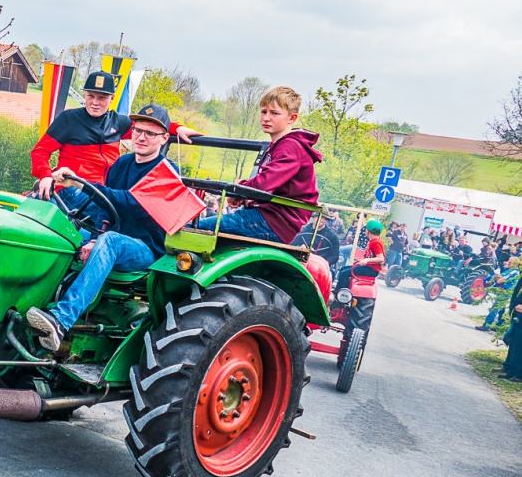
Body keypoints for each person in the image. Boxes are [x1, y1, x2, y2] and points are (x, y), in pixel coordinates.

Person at [25, 104, 178, 350]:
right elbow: (106, 209)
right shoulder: (122, 164)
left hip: (145, 248)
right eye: (138, 130)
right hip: (113, 238)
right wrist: (96, 237)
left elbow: (129, 203)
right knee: (65, 236)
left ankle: (61, 321)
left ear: (164, 139)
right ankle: (28, 304)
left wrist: (81, 184)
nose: (141, 137)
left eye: (150, 133)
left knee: (111, 241)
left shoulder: (166, 171)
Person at [30, 70, 196, 208]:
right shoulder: (68, 119)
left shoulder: (118, 122)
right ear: (85, 95)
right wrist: (45, 175)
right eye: (90, 96)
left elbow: (150, 127)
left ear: (112, 98)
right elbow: (40, 151)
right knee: (120, 210)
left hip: (103, 191)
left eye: (101, 98)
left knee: (119, 206)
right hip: (74, 188)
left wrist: (177, 128)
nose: (95, 102)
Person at [195, 87, 320, 243]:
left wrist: (238, 191)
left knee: (192, 227)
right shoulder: (276, 146)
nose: (266, 118)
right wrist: (247, 198)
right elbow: (271, 188)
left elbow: (265, 182)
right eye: (263, 112)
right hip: (264, 216)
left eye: (274, 113)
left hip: (272, 222)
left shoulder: (291, 146)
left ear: (292, 118)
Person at [333, 219, 386, 293]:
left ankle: (342, 294)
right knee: (343, 269)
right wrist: (362, 260)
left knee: (344, 273)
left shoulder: (376, 243)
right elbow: (369, 255)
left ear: (367, 231)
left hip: (371, 269)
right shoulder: (372, 241)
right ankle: (339, 290)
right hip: (368, 267)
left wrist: (367, 260)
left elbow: (381, 258)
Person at [477, 258, 521, 332]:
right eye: (508, 261)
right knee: (502, 309)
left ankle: (486, 325)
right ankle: (498, 326)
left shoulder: (513, 271)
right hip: (505, 291)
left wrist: (496, 279)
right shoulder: (510, 270)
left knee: (495, 308)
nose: (508, 263)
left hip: (505, 292)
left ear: (515, 264)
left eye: (510, 262)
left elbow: (501, 280)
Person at [499, 270, 522, 382]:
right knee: (513, 343)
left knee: (520, 346)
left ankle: (519, 374)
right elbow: (517, 292)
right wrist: (511, 308)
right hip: (517, 315)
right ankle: (510, 369)